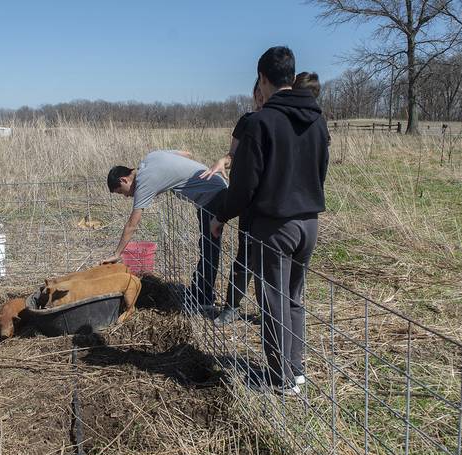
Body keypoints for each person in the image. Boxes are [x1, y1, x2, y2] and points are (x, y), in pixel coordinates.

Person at [211, 46, 329, 395]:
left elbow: (244, 184)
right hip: (309, 223)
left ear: (263, 79)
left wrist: (221, 215)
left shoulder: (261, 123)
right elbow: (320, 171)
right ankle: (296, 370)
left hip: (274, 226)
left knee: (273, 300)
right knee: (293, 298)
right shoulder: (317, 120)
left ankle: (280, 379)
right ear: (291, 78)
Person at [104, 150, 227, 310]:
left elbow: (132, 224)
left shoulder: (144, 182)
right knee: (207, 247)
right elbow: (187, 154)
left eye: (121, 192)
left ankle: (203, 299)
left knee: (209, 249)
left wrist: (117, 253)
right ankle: (199, 292)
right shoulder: (150, 157)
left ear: (124, 179)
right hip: (214, 187)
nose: (126, 196)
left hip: (213, 196)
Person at [199, 80, 265, 326]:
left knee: (270, 263)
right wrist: (223, 161)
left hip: (273, 201)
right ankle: (231, 306)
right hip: (248, 199)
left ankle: (268, 312)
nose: (260, 98)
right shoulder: (247, 120)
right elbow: (232, 154)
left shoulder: (281, 121)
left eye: (263, 93)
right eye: (256, 93)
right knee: (245, 255)